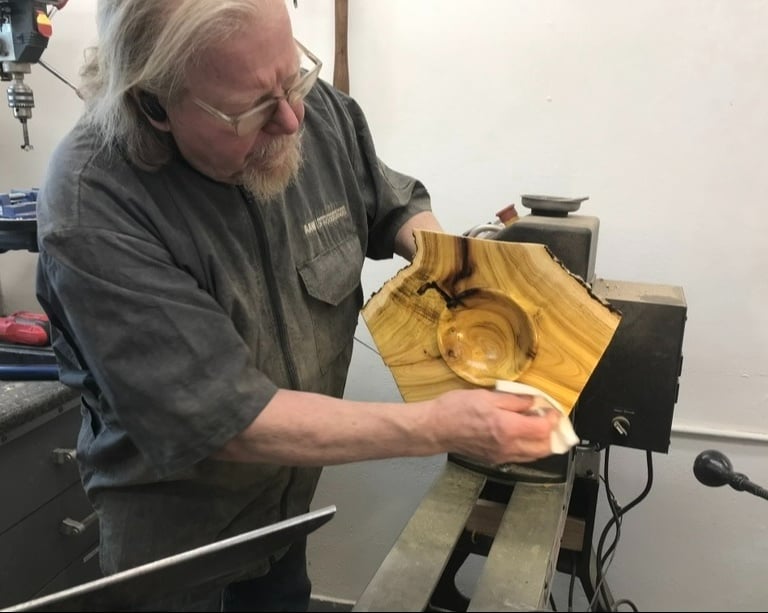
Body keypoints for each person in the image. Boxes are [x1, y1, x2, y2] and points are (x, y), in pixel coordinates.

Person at [35, 0, 564, 611]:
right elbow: (226, 419)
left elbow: (392, 201)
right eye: (253, 107)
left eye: (292, 78)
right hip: (175, 549)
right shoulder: (92, 204)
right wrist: (442, 425)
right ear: (154, 104)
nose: (290, 120)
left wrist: (454, 274)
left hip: (283, 517)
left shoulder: (304, 111)